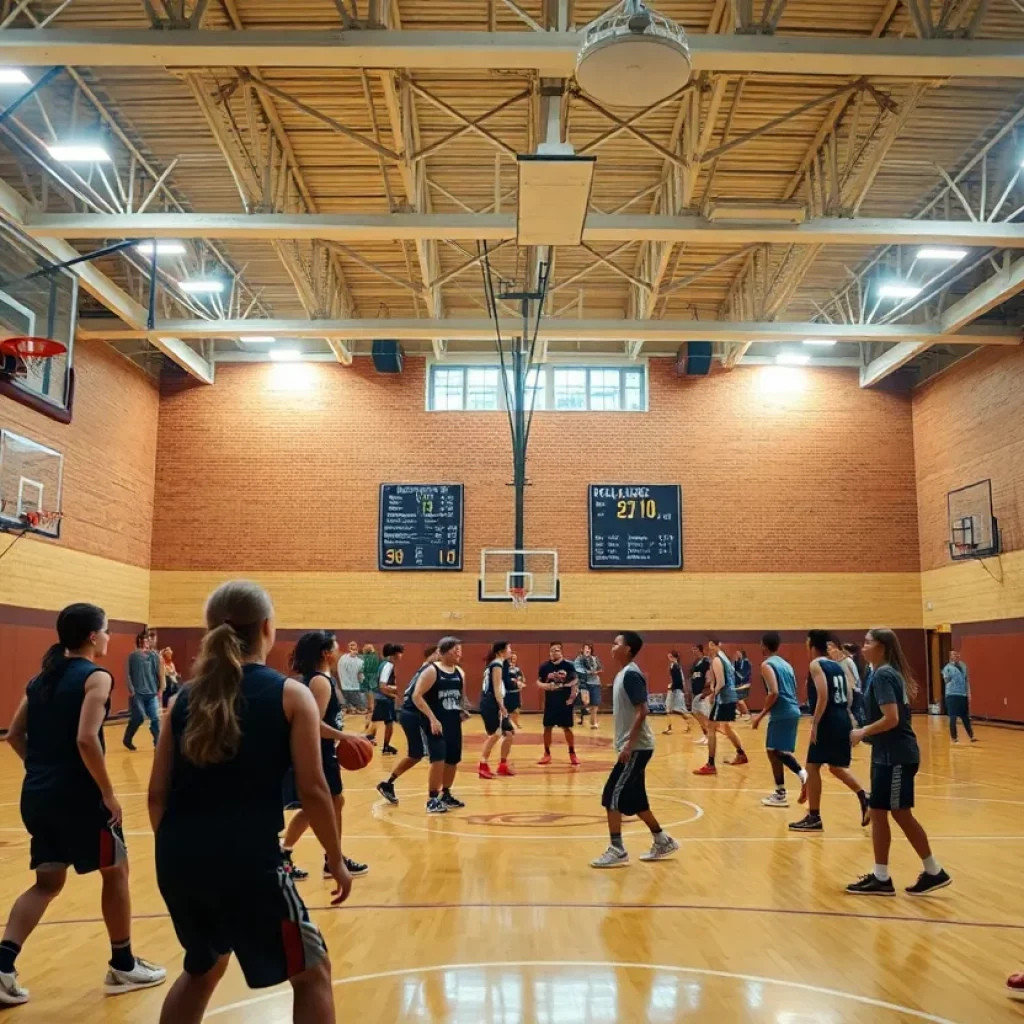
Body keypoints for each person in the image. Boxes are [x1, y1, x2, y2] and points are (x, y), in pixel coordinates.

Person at [148, 581, 351, 1024]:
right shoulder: (290, 694)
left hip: (177, 858)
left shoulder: (182, 698)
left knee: (203, 967)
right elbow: (314, 790)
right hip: (247, 861)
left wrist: (180, 849)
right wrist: (334, 858)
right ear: (266, 627)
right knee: (312, 974)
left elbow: (156, 795)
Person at [0, 603, 166, 1007]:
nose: (109, 637)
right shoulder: (96, 677)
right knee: (117, 871)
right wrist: (108, 793)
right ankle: (123, 964)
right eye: (106, 630)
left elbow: (15, 735)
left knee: (47, 883)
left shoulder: (40, 680)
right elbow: (87, 739)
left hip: (38, 795)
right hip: (80, 799)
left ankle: (2, 967)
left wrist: (43, 771)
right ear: (93, 636)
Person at [846, 628, 951, 897]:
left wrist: (862, 731)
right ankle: (881, 877)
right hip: (885, 755)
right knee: (879, 812)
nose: (863, 646)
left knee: (900, 812)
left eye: (867, 642)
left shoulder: (883, 675)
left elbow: (891, 718)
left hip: (896, 756)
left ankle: (933, 870)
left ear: (881, 647)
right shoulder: (879, 672)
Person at [280, 631, 369, 883]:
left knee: (328, 804)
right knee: (324, 804)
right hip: (317, 752)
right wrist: (346, 736)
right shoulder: (319, 681)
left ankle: (327, 857)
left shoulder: (321, 678)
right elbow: (313, 724)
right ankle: (325, 858)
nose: (339, 649)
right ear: (325, 653)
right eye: (336, 646)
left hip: (323, 751)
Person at [590, 631, 680, 868]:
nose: (612, 647)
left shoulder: (631, 675)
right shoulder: (622, 674)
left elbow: (644, 710)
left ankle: (617, 849)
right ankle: (663, 839)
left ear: (627, 649)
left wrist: (628, 745)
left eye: (616, 643)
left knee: (611, 795)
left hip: (637, 748)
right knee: (637, 800)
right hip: (634, 747)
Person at [790, 630, 869, 833]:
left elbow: (823, 695)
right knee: (835, 766)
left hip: (828, 718)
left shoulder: (816, 664)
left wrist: (815, 723)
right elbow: (849, 694)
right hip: (841, 716)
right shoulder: (836, 664)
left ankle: (814, 816)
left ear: (812, 644)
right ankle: (864, 796)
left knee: (812, 766)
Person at [388, 637, 465, 814]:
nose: (459, 653)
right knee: (437, 758)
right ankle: (431, 799)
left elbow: (461, 695)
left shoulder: (460, 672)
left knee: (453, 758)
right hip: (434, 721)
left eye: (460, 650)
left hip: (453, 721)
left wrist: (462, 709)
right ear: (444, 652)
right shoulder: (431, 670)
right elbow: (417, 696)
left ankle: (446, 793)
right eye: (456, 650)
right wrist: (432, 718)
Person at [375, 645, 439, 806]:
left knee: (417, 754)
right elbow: (418, 696)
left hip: (411, 714)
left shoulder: (428, 669)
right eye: (439, 653)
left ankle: (388, 783)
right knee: (435, 753)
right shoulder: (430, 670)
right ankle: (437, 795)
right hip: (412, 714)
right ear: (431, 655)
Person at [752, 632, 808, 808]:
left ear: (763, 645)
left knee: (776, 751)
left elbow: (774, 691)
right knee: (773, 751)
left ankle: (803, 775)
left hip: (782, 711)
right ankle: (780, 792)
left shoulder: (767, 664)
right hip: (792, 709)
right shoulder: (786, 665)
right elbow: (794, 688)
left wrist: (760, 715)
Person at [693, 637, 747, 775]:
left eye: (709, 645)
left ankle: (711, 764)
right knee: (726, 727)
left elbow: (721, 682)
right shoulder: (724, 657)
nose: (708, 648)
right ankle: (741, 754)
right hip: (730, 696)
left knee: (711, 727)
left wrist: (712, 695)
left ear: (712, 645)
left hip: (723, 698)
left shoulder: (717, 659)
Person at [537, 642, 579, 766]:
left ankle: (572, 753)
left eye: (556, 650)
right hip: (551, 702)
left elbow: (575, 681)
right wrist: (547, 686)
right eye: (551, 651)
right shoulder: (544, 667)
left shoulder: (569, 666)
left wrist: (570, 695)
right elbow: (539, 683)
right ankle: (547, 753)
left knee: (567, 728)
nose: (553, 653)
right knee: (547, 727)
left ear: (561, 652)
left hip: (564, 702)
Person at [479, 640, 516, 779]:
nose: (511, 650)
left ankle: (503, 765)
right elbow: (496, 688)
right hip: (490, 702)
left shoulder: (499, 664)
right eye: (509, 648)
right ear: (501, 651)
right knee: (495, 734)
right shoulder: (496, 664)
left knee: (509, 734)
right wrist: (502, 705)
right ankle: (482, 765)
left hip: (495, 701)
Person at [123, 629, 164, 750]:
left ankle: (158, 743)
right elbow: (128, 674)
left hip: (152, 693)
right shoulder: (132, 656)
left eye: (147, 640)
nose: (145, 642)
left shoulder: (154, 656)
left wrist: (160, 689)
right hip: (138, 694)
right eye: (143, 640)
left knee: (155, 719)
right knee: (139, 717)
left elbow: (159, 673)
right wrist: (132, 690)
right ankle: (127, 738)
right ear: (138, 642)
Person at [365, 644, 402, 754]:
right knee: (388, 723)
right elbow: (382, 686)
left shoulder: (383, 664)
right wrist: (394, 695)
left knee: (382, 721)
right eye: (400, 653)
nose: (401, 655)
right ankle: (379, 744)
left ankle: (377, 742)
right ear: (394, 654)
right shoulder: (388, 666)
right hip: (384, 698)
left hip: (381, 698)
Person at [943, 650, 977, 744]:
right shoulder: (947, 668)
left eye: (957, 654)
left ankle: (971, 736)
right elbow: (946, 680)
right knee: (953, 717)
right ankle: (954, 737)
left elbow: (967, 680)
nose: (956, 656)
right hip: (951, 694)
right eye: (954, 654)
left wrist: (968, 693)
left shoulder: (963, 666)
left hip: (962, 694)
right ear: (950, 656)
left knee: (965, 716)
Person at [574, 643, 604, 730]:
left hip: (595, 683)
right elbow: (577, 669)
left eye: (589, 648)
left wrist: (597, 672)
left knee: (595, 704)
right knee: (585, 701)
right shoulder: (578, 659)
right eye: (586, 648)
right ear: (582, 649)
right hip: (584, 683)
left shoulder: (595, 659)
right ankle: (582, 711)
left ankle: (594, 723)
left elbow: (600, 668)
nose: (588, 650)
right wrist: (588, 672)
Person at [663, 650, 691, 735]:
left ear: (675, 657)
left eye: (671, 656)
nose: (669, 658)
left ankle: (690, 725)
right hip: (673, 690)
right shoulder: (673, 666)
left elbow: (679, 680)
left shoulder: (676, 666)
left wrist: (674, 688)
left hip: (676, 691)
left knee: (681, 710)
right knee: (668, 708)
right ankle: (669, 727)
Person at [689, 644, 712, 745]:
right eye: (693, 649)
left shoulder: (706, 661)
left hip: (702, 691)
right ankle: (705, 735)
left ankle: (710, 736)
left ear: (701, 650)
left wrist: (707, 690)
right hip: (695, 690)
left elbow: (709, 675)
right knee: (696, 713)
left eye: (696, 649)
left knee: (703, 714)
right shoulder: (695, 662)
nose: (694, 651)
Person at [337, 641, 365, 714]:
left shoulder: (342, 659)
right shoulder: (359, 661)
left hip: (345, 688)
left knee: (351, 710)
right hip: (354, 689)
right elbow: (361, 677)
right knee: (362, 709)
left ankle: (350, 708)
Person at [359, 644, 381, 730]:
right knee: (373, 701)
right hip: (374, 680)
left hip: (366, 680)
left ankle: (368, 718)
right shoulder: (376, 657)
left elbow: (361, 669)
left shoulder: (363, 658)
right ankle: (371, 719)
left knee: (369, 701)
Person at [504, 651, 526, 728]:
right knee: (506, 710)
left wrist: (521, 681)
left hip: (516, 693)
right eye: (512, 658)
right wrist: (514, 681)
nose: (514, 659)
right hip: (508, 693)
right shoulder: (505, 669)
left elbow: (522, 678)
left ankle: (515, 722)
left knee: (516, 710)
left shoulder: (517, 669)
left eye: (515, 658)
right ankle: (506, 723)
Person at [733, 649, 752, 719]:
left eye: (738, 653)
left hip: (744, 684)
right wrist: (735, 661)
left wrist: (735, 673)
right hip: (738, 683)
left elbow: (743, 674)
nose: (736, 654)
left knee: (740, 700)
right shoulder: (738, 662)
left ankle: (748, 714)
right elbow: (734, 669)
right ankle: (741, 714)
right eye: (736, 653)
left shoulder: (745, 662)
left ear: (741, 654)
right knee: (738, 700)